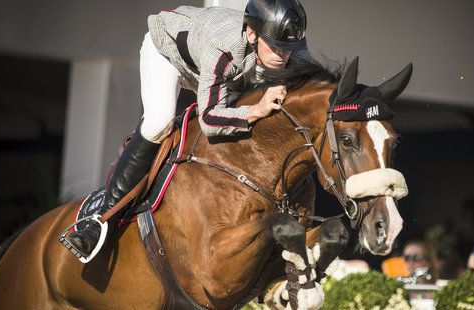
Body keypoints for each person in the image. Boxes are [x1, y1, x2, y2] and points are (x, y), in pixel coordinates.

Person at [64, 0, 311, 260]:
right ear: (251, 33)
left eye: (288, 48)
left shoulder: (293, 48)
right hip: (169, 54)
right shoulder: (224, 46)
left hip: (222, 71)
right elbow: (209, 118)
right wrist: (254, 111)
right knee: (159, 123)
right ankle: (103, 218)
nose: (282, 55)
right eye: (274, 46)